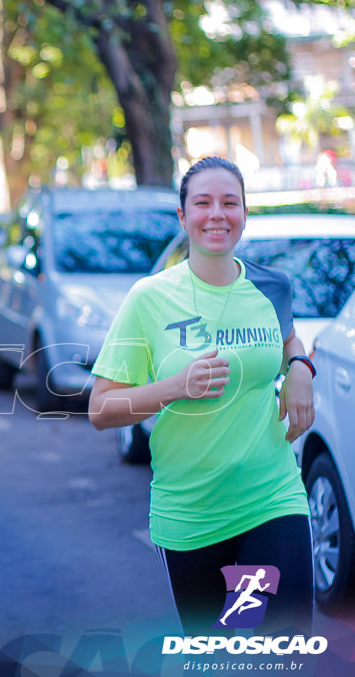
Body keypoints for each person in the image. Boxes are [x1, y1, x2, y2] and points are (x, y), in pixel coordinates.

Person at [88, 156, 315, 636]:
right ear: (183, 216)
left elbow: (288, 339)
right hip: (192, 514)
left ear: (244, 214)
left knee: (283, 648)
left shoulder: (271, 286)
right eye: (203, 203)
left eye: (230, 203)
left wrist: (300, 367)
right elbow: (101, 409)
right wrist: (175, 387)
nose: (217, 214)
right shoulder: (148, 298)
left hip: (271, 498)